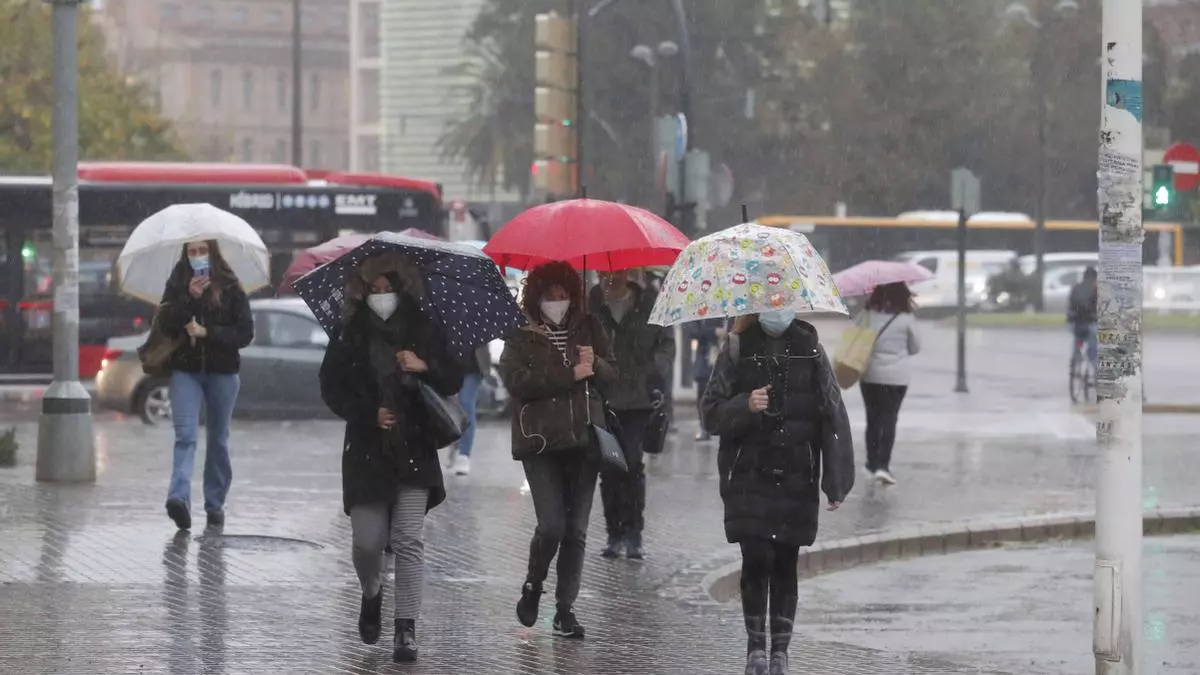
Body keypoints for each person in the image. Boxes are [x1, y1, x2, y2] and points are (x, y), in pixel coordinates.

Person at [318, 252, 463, 663]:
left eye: (389, 289)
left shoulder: (425, 328)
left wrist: (424, 365)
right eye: (374, 290)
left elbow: (454, 376)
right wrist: (368, 414)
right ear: (363, 293)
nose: (381, 296)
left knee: (408, 541)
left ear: (402, 290)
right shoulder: (349, 334)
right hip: (366, 451)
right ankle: (371, 590)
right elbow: (330, 387)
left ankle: (406, 628)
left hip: (414, 448)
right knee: (368, 543)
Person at [701, 309, 855, 675]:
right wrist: (745, 405)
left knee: (785, 563)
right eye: (770, 299)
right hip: (747, 475)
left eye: (783, 298)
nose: (777, 306)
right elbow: (710, 412)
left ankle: (780, 654)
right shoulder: (737, 346)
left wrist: (836, 479)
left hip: (796, 474)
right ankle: (756, 650)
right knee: (756, 559)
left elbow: (833, 413)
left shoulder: (810, 349)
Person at [498, 261, 616, 639]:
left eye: (563, 294)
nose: (557, 301)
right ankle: (534, 583)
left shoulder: (589, 325)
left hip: (583, 443)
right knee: (552, 525)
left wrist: (595, 363)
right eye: (550, 295)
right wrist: (570, 374)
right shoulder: (521, 332)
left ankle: (565, 609)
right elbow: (516, 381)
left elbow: (614, 376)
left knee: (576, 532)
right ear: (537, 296)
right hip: (541, 443)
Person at [157, 239, 253, 531]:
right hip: (186, 371)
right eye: (192, 251)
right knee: (185, 435)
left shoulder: (232, 287)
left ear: (213, 253)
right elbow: (165, 322)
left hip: (222, 373)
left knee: (218, 440)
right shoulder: (178, 281)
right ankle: (179, 498)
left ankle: (215, 504)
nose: (197, 257)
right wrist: (188, 298)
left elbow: (245, 333)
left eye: (202, 251)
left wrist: (208, 332)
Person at [590, 269, 676, 559]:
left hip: (638, 401)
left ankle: (634, 533)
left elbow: (666, 343)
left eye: (615, 272)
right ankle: (614, 533)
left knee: (633, 464)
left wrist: (654, 373)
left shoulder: (650, 302)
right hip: (604, 399)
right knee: (610, 467)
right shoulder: (592, 303)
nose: (609, 277)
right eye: (603, 272)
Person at [858, 282, 921, 486]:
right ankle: (883, 466)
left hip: (870, 376)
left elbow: (855, 340)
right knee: (889, 419)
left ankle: (871, 462)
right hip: (896, 379)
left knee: (873, 419)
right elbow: (914, 348)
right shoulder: (906, 319)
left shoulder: (867, 315)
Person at [447, 343, 491, 476]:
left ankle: (464, 454)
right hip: (449, 366)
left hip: (473, 366)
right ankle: (455, 444)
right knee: (451, 408)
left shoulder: (478, 321)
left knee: (466, 403)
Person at [686, 317, 726, 441]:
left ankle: (722, 426)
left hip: (726, 356)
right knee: (703, 395)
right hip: (706, 360)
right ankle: (705, 427)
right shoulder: (701, 311)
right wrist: (714, 331)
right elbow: (693, 331)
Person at [1067, 266, 1099, 369]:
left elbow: (1070, 305)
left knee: (1077, 338)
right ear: (1095, 278)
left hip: (1074, 323)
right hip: (1089, 323)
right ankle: (1094, 365)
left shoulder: (1075, 288)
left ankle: (1076, 354)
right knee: (1093, 344)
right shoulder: (1096, 290)